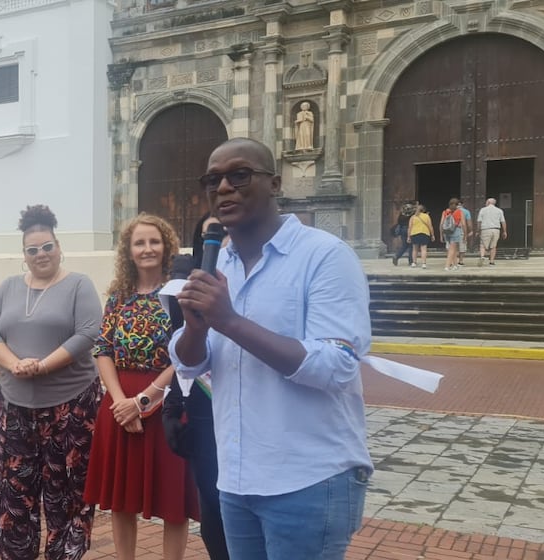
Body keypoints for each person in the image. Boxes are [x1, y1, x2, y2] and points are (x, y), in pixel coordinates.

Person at [171, 138, 372, 559]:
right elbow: (191, 365)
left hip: (308, 479)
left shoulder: (325, 256)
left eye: (239, 175)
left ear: (275, 184)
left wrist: (229, 321)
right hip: (236, 478)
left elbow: (337, 365)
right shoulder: (217, 264)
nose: (223, 188)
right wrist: (195, 330)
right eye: (213, 180)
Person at [0, 204, 103, 560]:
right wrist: (15, 364)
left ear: (58, 247)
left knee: (66, 493)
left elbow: (88, 334)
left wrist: (43, 366)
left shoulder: (79, 285)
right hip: (15, 407)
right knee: (14, 493)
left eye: (47, 246)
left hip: (71, 408)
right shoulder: (8, 287)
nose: (41, 254)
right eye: (32, 249)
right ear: (24, 254)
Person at [83, 213, 199, 560]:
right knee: (122, 499)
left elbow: (186, 353)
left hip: (168, 402)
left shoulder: (179, 293)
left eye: (154, 241)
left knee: (174, 501)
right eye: (139, 243)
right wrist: (122, 402)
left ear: (166, 247)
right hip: (119, 405)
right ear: (128, 251)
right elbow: (103, 349)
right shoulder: (118, 296)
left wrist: (145, 400)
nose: (147, 249)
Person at [160, 213, 230, 560]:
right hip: (204, 409)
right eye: (209, 236)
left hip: (249, 415)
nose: (219, 240)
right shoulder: (184, 288)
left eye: (224, 232)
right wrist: (172, 406)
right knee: (213, 516)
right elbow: (182, 356)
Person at [477, 198, 507, 266]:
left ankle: (482, 256)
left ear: (488, 202)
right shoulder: (499, 210)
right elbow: (503, 221)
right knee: (493, 246)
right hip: (496, 229)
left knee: (483, 245)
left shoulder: (483, 210)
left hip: (485, 229)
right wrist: (504, 231)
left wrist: (478, 230)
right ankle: (492, 262)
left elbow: (479, 221)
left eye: (486, 202)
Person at [441, 198, 467, 271]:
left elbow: (441, 224)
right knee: (452, 249)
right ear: (458, 205)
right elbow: (463, 224)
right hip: (456, 231)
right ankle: (447, 266)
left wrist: (441, 234)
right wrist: (465, 234)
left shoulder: (445, 212)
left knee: (454, 249)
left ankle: (455, 265)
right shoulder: (460, 212)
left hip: (447, 232)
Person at [407, 204, 434, 269]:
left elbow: (409, 227)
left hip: (414, 233)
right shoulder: (426, 216)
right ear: (423, 210)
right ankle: (424, 263)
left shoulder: (413, 217)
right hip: (424, 233)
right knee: (423, 249)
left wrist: (408, 236)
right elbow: (430, 226)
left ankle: (414, 263)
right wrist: (432, 235)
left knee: (415, 249)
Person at [457, 201, 473, 266]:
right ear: (462, 204)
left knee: (452, 246)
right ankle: (460, 261)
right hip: (461, 230)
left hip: (451, 230)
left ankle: (452, 261)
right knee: (462, 246)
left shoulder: (450, 210)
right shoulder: (466, 211)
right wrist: (470, 230)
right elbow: (469, 223)